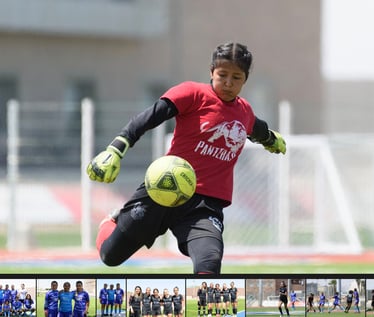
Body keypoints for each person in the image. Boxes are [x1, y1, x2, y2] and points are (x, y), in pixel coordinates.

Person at [88, 42, 286, 274]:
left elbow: (257, 128)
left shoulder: (245, 112)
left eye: (237, 77)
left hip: (205, 207)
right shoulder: (192, 93)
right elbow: (148, 118)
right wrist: (115, 149)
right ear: (212, 71)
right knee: (110, 256)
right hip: (162, 189)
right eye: (222, 75)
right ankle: (113, 221)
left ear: (246, 79)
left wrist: (270, 139)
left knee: (209, 263)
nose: (228, 83)